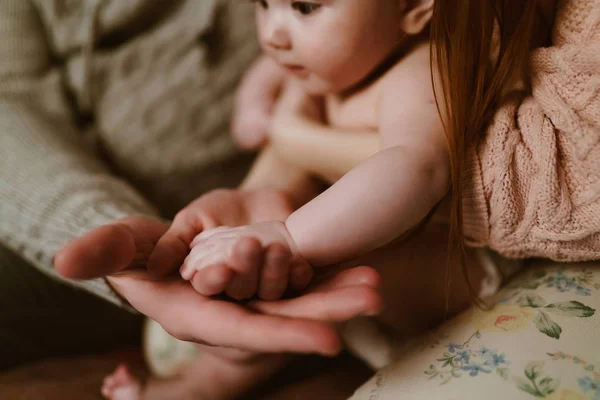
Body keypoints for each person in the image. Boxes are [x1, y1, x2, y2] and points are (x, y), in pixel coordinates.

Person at [61, 0, 600, 398]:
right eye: (263, 4)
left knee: (313, 265)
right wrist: (258, 110)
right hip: (357, 273)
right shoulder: (336, 54)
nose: (273, 32)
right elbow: (265, 71)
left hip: (447, 276)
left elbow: (418, 168)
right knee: (264, 295)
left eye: (304, 6)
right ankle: (189, 389)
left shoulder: (422, 73)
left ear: (415, 9)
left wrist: (292, 235)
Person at [0, 0, 382, 379]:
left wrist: (279, 179)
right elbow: (10, 96)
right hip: (59, 211)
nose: (271, 34)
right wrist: (96, 220)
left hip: (210, 231)